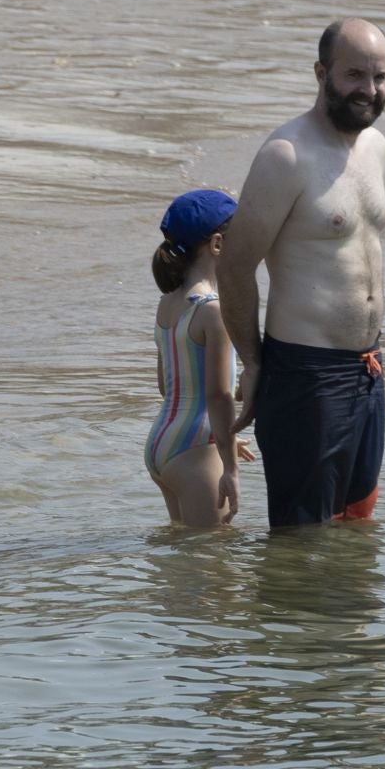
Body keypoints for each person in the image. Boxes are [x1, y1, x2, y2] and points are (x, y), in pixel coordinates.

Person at [219, 18, 385, 526]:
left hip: (368, 369)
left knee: (357, 527)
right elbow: (234, 266)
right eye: (355, 75)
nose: (369, 90)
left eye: (380, 77)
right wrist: (252, 363)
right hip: (305, 376)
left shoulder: (376, 147)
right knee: (302, 544)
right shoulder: (285, 156)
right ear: (321, 73)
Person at [145, 189, 248, 527]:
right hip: (196, 450)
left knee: (186, 563)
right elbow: (217, 394)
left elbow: (168, 386)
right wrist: (229, 466)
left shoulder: (169, 303)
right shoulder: (215, 311)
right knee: (215, 567)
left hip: (162, 443)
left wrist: (224, 436)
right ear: (217, 244)